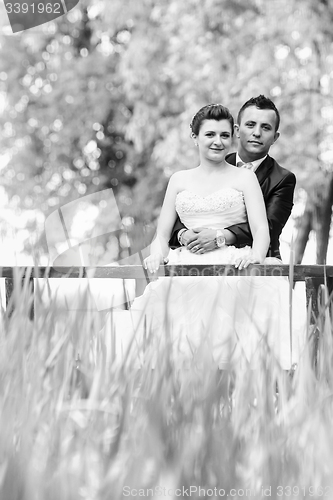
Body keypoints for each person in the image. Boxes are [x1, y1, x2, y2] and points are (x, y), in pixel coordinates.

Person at [108, 104, 304, 370]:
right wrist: (157, 253)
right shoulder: (178, 179)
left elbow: (262, 229)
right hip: (186, 267)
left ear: (232, 137)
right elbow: (163, 233)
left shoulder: (247, 178)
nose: (218, 141)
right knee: (173, 348)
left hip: (232, 268)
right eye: (210, 134)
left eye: (224, 135)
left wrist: (255, 255)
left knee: (237, 350)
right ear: (195, 137)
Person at [168, 95, 295, 261]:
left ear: (275, 137)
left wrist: (219, 237)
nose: (257, 133)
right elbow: (181, 212)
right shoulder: (213, 162)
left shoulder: (283, 179)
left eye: (265, 128)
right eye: (250, 125)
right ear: (236, 130)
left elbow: (269, 228)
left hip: (254, 263)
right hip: (197, 259)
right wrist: (183, 234)